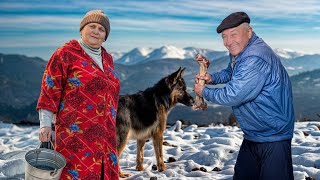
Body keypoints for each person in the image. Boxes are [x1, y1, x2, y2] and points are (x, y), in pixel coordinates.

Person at [193, 12, 294, 180]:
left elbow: (233, 95)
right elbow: (231, 72)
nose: (228, 42)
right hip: (254, 134)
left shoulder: (254, 58)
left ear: (249, 31)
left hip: (273, 137)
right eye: (224, 37)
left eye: (233, 35)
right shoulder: (242, 50)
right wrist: (212, 78)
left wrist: (203, 92)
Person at [37, 10, 120, 180]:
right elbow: (49, 90)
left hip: (106, 135)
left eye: (101, 29)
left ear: (105, 36)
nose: (96, 31)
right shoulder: (64, 54)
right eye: (92, 26)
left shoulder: (108, 58)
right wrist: (45, 124)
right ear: (82, 29)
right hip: (75, 134)